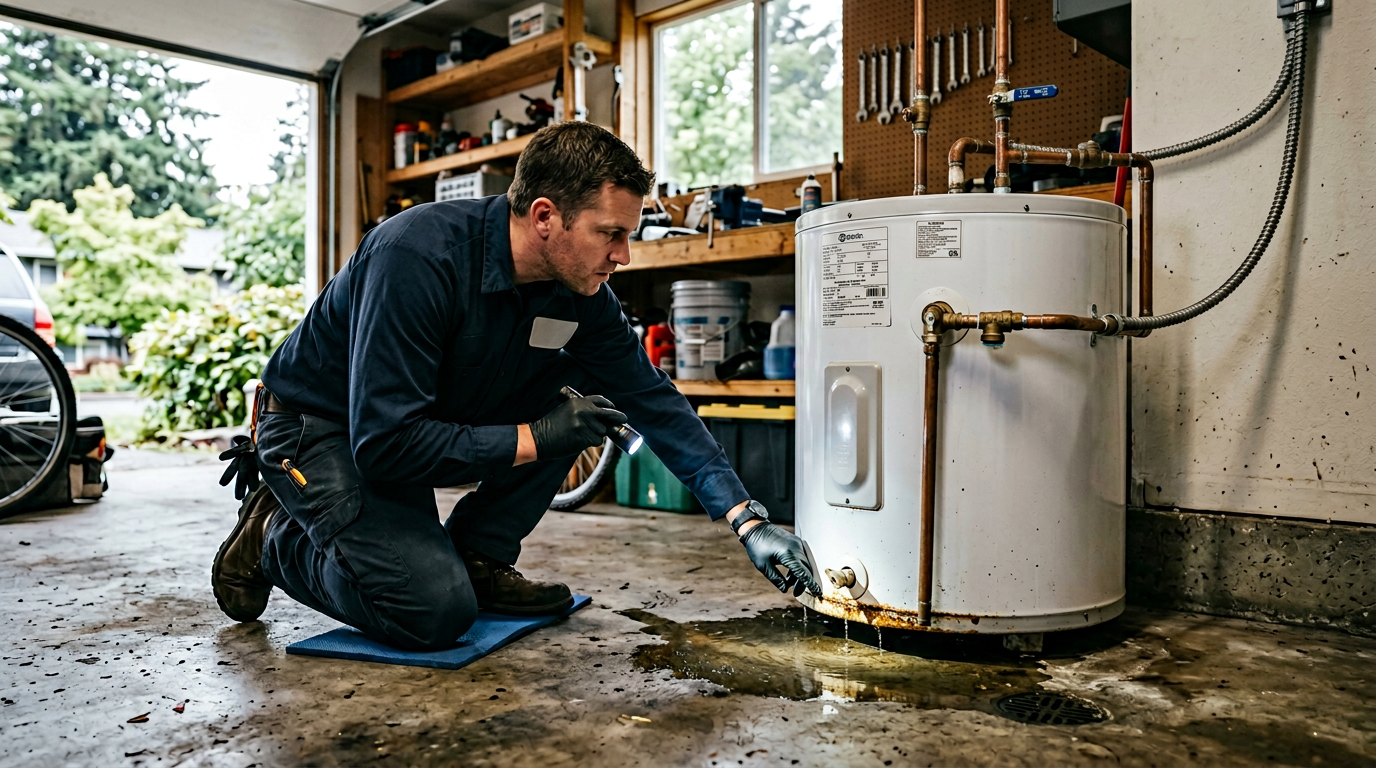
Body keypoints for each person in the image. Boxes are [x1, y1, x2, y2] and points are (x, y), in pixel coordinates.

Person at [211, 122, 822, 650]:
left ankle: (479, 555)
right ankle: (274, 535)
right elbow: (385, 444)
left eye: (628, 235)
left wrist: (746, 517)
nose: (624, 256)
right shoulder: (417, 258)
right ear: (545, 217)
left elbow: (652, 398)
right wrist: (533, 438)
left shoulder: (582, 297)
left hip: (415, 424)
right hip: (322, 428)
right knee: (431, 611)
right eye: (610, 234)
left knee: (578, 408)